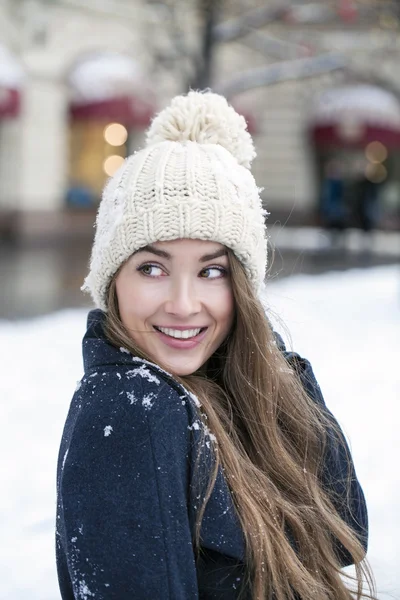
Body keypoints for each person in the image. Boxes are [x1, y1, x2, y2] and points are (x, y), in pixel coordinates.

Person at [56, 91, 375, 600]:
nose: (184, 305)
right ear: (112, 280)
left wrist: (268, 368)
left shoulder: (230, 389)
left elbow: (342, 535)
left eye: (212, 271)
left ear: (243, 288)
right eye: (152, 268)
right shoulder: (128, 409)